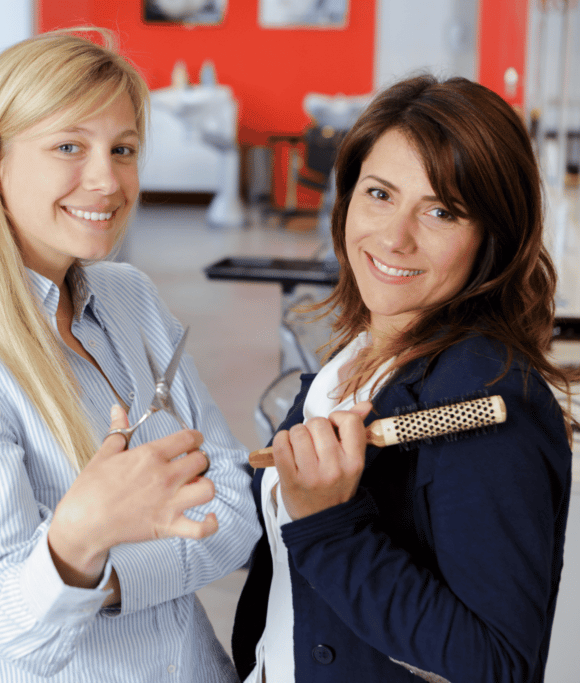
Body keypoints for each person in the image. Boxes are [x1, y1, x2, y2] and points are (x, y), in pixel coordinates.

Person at [0, 29, 261, 682]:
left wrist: (101, 568)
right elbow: (18, 627)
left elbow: (235, 510)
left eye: (123, 149)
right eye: (69, 146)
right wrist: (84, 534)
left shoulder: (131, 296)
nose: (107, 180)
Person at [231, 74, 575, 683]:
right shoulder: (349, 364)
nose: (394, 238)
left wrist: (330, 528)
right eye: (380, 194)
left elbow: (498, 667)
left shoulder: (488, 403)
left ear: (493, 237)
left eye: (441, 212)